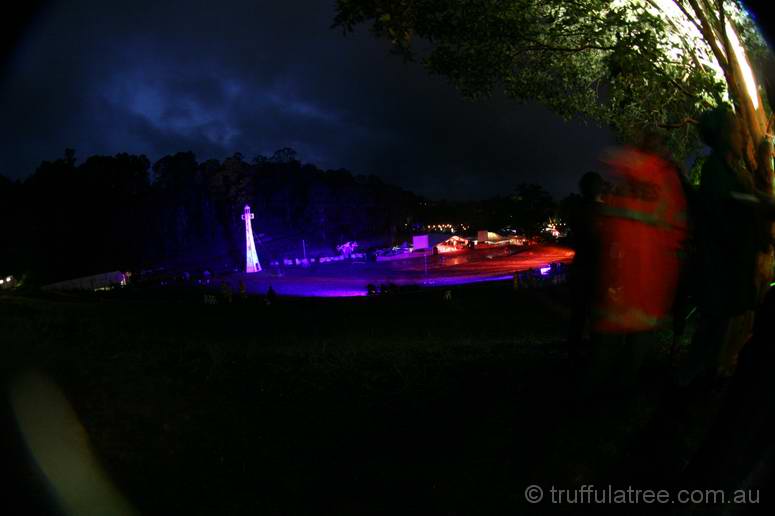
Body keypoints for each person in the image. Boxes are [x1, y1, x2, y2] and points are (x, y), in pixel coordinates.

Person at [566, 171, 604, 360]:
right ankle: (595, 352)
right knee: (596, 313)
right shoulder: (603, 212)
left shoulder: (577, 210)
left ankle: (573, 350)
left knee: (578, 314)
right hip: (598, 268)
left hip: (580, 267)